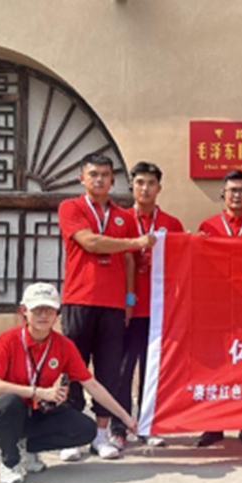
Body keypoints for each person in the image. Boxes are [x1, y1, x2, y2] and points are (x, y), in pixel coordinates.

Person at [0, 283, 138, 483]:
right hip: (0, 415)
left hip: (36, 411)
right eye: (37, 310)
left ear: (57, 313)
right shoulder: (7, 341)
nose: (43, 315)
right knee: (9, 402)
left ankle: (27, 447)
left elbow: (92, 385)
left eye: (49, 310)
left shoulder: (64, 345)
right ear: (24, 311)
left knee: (85, 429)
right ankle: (10, 463)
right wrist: (38, 392)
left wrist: (125, 417)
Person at [57, 153, 156, 461]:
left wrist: (129, 299)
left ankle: (101, 436)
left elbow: (128, 261)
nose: (99, 179)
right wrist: (135, 242)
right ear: (82, 178)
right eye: (93, 174)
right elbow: (91, 242)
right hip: (79, 300)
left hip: (113, 305)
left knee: (109, 371)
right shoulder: (70, 208)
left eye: (104, 174)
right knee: (74, 369)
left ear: (113, 179)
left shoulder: (123, 216)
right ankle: (72, 436)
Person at [109, 162, 184, 449]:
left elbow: (182, 263)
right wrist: (127, 300)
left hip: (159, 309)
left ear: (159, 188)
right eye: (140, 182)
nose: (145, 188)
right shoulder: (120, 220)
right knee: (123, 369)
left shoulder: (171, 224)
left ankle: (148, 424)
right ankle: (119, 428)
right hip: (127, 308)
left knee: (152, 370)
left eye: (151, 183)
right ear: (132, 186)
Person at [195, 170, 242, 448]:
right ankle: (213, 425)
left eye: (241, 190)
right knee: (216, 365)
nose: (236, 195)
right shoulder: (208, 225)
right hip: (215, 306)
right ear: (223, 195)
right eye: (231, 190)